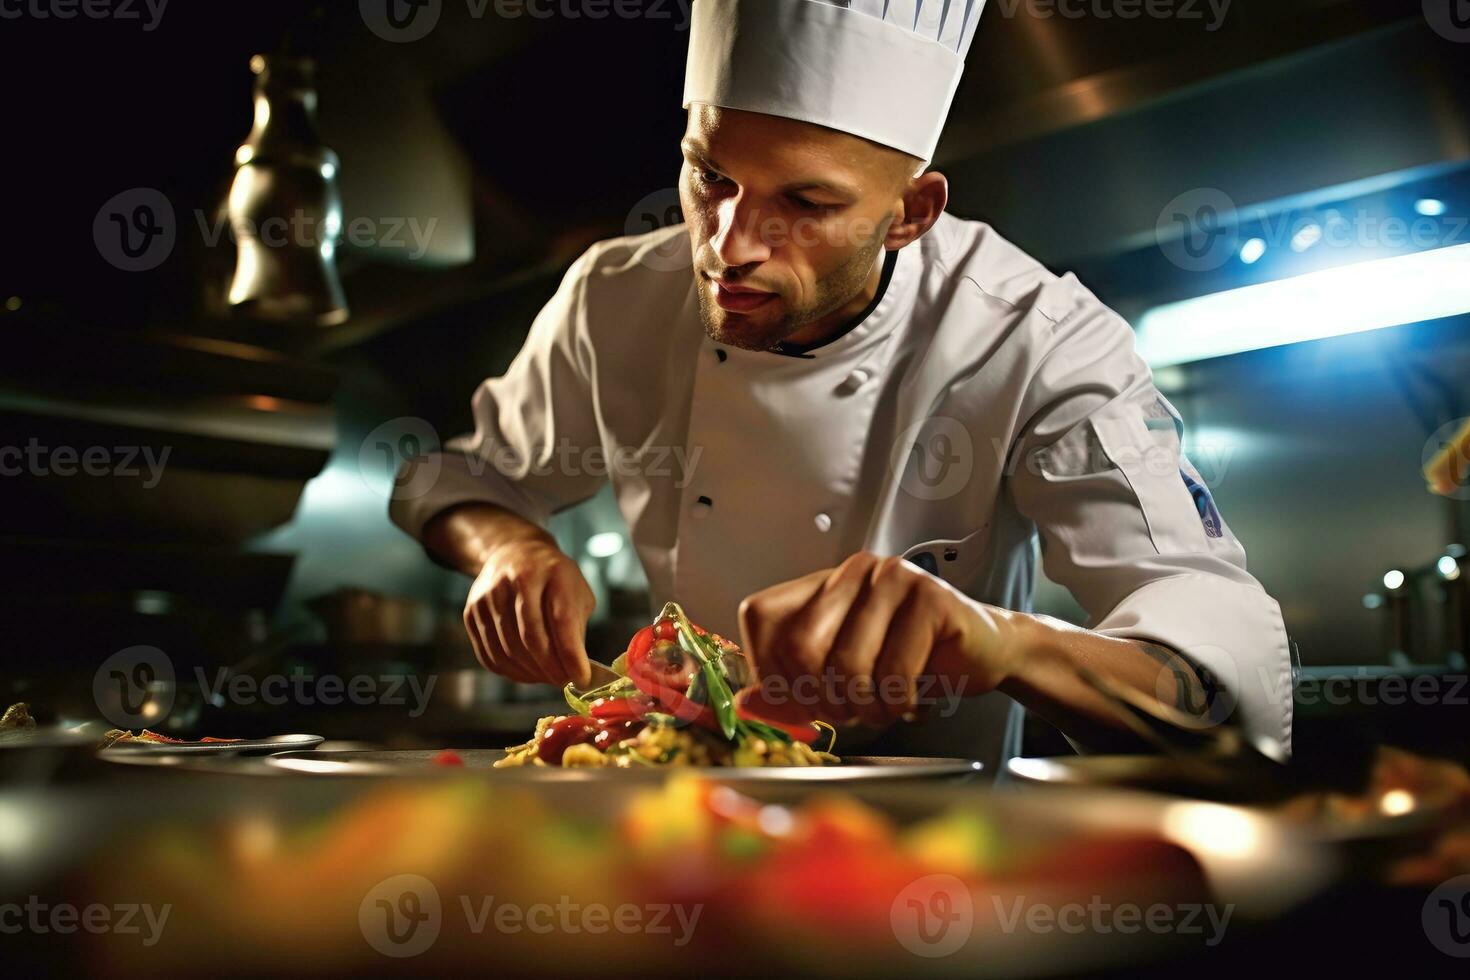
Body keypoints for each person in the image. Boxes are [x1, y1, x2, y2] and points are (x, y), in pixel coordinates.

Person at [391, 0, 1292, 766]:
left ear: (910, 214)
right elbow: (454, 478)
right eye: (712, 177)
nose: (728, 246)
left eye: (805, 205)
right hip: (677, 831)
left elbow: (1223, 681)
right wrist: (509, 548)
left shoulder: (1038, 340)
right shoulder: (617, 298)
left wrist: (1005, 645)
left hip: (938, 877)